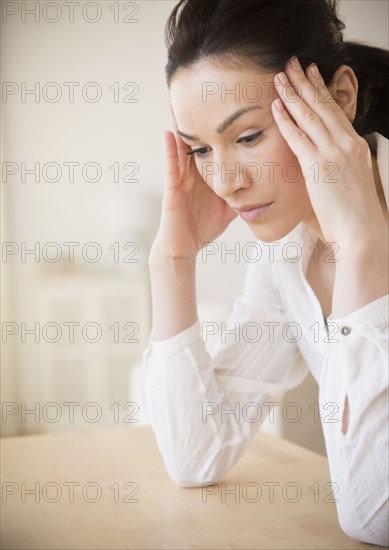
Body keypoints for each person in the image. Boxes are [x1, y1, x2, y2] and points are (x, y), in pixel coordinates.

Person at [142, 0, 389, 545]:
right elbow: (196, 456)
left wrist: (363, 249)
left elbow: (374, 518)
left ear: (339, 98)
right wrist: (172, 263)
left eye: (248, 137)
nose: (224, 180)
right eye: (201, 149)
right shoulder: (286, 260)